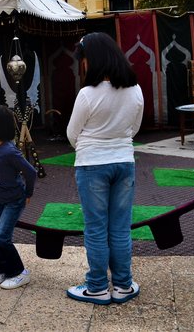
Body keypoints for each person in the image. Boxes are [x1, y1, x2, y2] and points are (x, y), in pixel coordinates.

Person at [66, 32, 144, 305]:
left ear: (92, 59)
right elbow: (134, 128)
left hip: (91, 166)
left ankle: (97, 286)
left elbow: (72, 134)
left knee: (96, 228)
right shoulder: (135, 90)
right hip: (124, 162)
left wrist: (91, 146)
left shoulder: (87, 95)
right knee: (121, 228)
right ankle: (123, 285)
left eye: (84, 59)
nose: (83, 65)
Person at [0, 104, 37, 290]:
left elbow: (31, 172)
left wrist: (28, 193)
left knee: (1, 236)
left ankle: (19, 273)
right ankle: (2, 270)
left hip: (14, 200)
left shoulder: (9, 151)